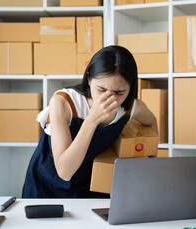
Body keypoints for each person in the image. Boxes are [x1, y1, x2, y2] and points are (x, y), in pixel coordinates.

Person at [22, 45, 158, 198]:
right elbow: (64, 172)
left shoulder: (130, 107)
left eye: (119, 92)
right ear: (88, 78)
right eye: (101, 89)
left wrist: (150, 164)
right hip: (48, 186)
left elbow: (152, 122)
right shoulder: (63, 102)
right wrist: (92, 119)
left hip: (90, 186)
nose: (109, 98)